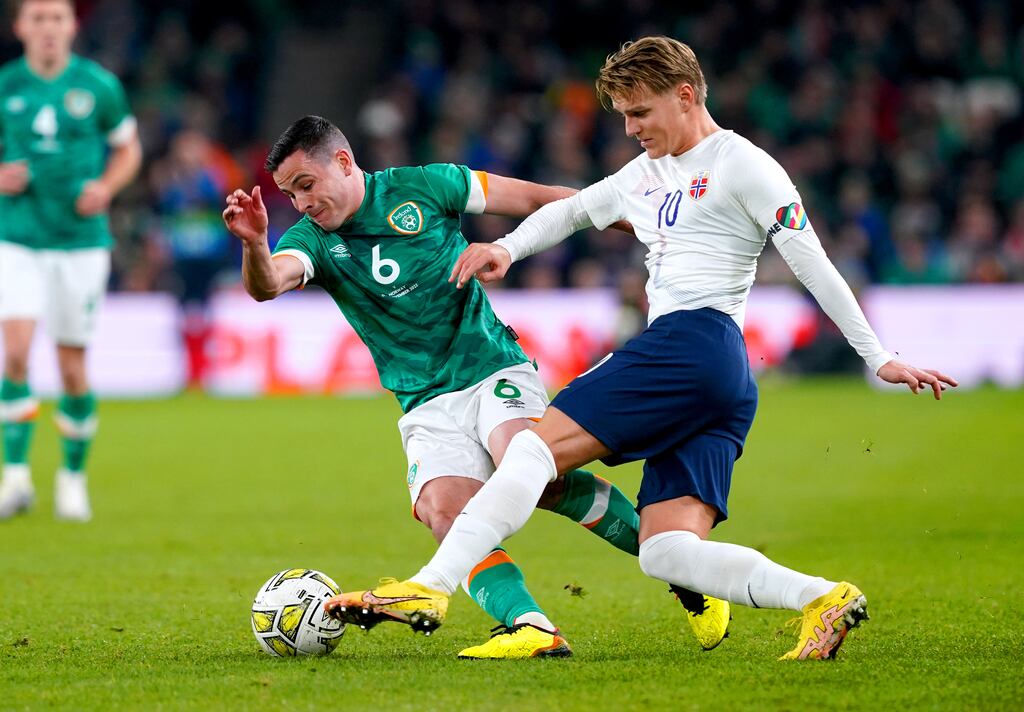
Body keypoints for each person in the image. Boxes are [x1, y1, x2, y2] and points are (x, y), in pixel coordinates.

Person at [326, 37, 958, 661]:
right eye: (623, 115)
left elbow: (813, 261)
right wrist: (507, 249)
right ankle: (825, 597)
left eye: (639, 113)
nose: (629, 128)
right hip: (720, 377)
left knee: (532, 450)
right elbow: (571, 212)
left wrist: (877, 356)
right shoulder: (644, 174)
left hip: (692, 342)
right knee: (666, 550)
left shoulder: (746, 166)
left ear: (685, 96)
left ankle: (431, 588)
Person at [221, 115, 729, 659]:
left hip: (491, 368)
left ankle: (690, 579)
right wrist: (254, 243)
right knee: (446, 512)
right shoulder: (312, 241)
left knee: (535, 469)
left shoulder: (427, 185)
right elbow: (269, 283)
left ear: (343, 163)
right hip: (423, 402)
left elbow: (539, 198)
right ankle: (532, 627)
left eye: (306, 185)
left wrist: (634, 220)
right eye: (290, 194)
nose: (301, 204)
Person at [0, 0, 142, 522]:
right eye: (36, 18)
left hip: (81, 242)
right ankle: (14, 478)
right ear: (20, 27)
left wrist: (105, 186)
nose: (47, 28)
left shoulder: (99, 86)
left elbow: (129, 149)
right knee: (14, 353)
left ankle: (72, 478)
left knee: (71, 368)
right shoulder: (5, 85)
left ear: (71, 25)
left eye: (56, 18)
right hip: (16, 237)